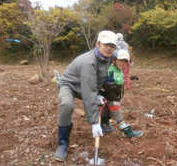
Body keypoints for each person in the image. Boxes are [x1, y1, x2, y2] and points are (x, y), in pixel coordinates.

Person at [54, 30, 118, 161]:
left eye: (112, 45)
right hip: (69, 85)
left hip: (85, 85)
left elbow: (97, 79)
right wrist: (94, 122)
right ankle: (62, 144)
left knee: (109, 94)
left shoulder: (108, 58)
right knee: (67, 105)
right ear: (97, 44)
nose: (109, 48)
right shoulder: (89, 62)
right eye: (106, 44)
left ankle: (105, 123)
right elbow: (88, 93)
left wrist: (99, 93)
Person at [99, 49, 143, 138]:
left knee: (106, 112)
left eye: (125, 61)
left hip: (114, 97)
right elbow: (103, 85)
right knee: (118, 117)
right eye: (120, 60)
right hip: (112, 99)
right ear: (114, 60)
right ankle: (129, 132)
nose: (122, 63)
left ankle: (102, 123)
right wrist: (107, 83)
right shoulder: (110, 70)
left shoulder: (119, 70)